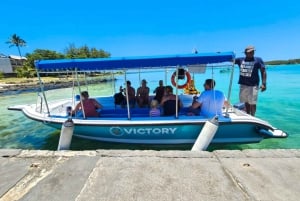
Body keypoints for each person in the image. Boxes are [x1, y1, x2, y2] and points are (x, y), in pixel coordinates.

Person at [235, 45, 267, 116]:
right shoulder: (240, 60)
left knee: (252, 103)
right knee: (245, 102)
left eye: (252, 52)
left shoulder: (258, 60)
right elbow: (231, 60)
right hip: (243, 85)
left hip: (253, 85)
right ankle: (247, 115)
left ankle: (253, 116)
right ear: (245, 53)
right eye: (249, 52)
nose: (251, 53)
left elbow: (263, 71)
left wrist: (264, 84)